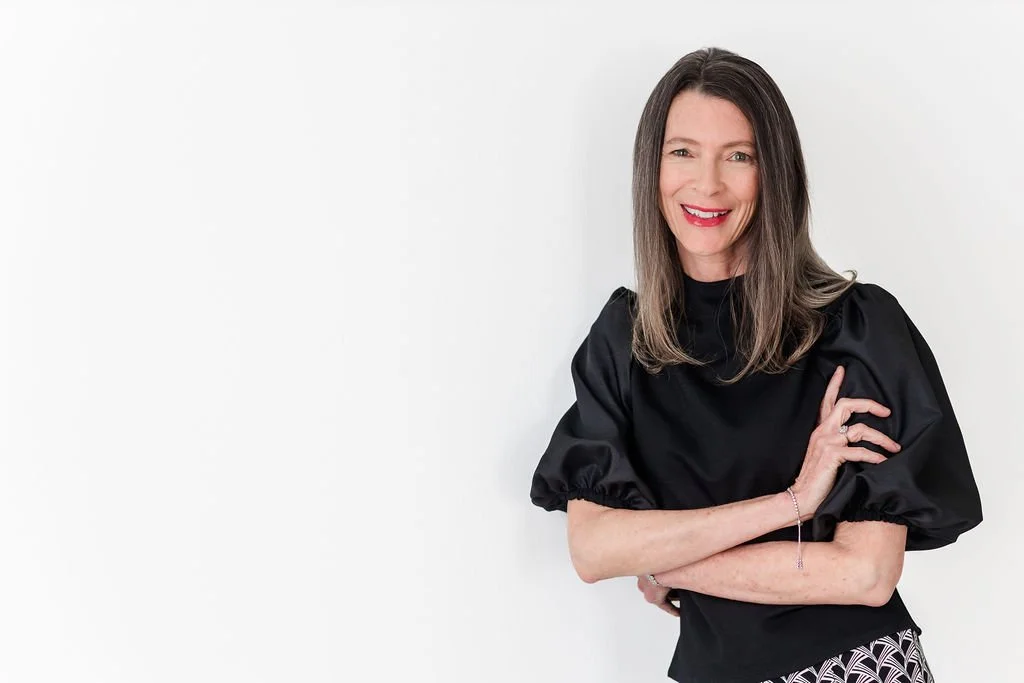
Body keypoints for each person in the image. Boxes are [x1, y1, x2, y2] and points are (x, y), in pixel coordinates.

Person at [528, 47, 983, 683]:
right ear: (650, 169)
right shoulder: (625, 341)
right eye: (682, 151)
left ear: (773, 175)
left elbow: (865, 574)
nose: (707, 184)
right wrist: (793, 503)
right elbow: (593, 547)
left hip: (849, 668)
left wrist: (665, 562)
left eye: (738, 156)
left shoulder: (855, 329)